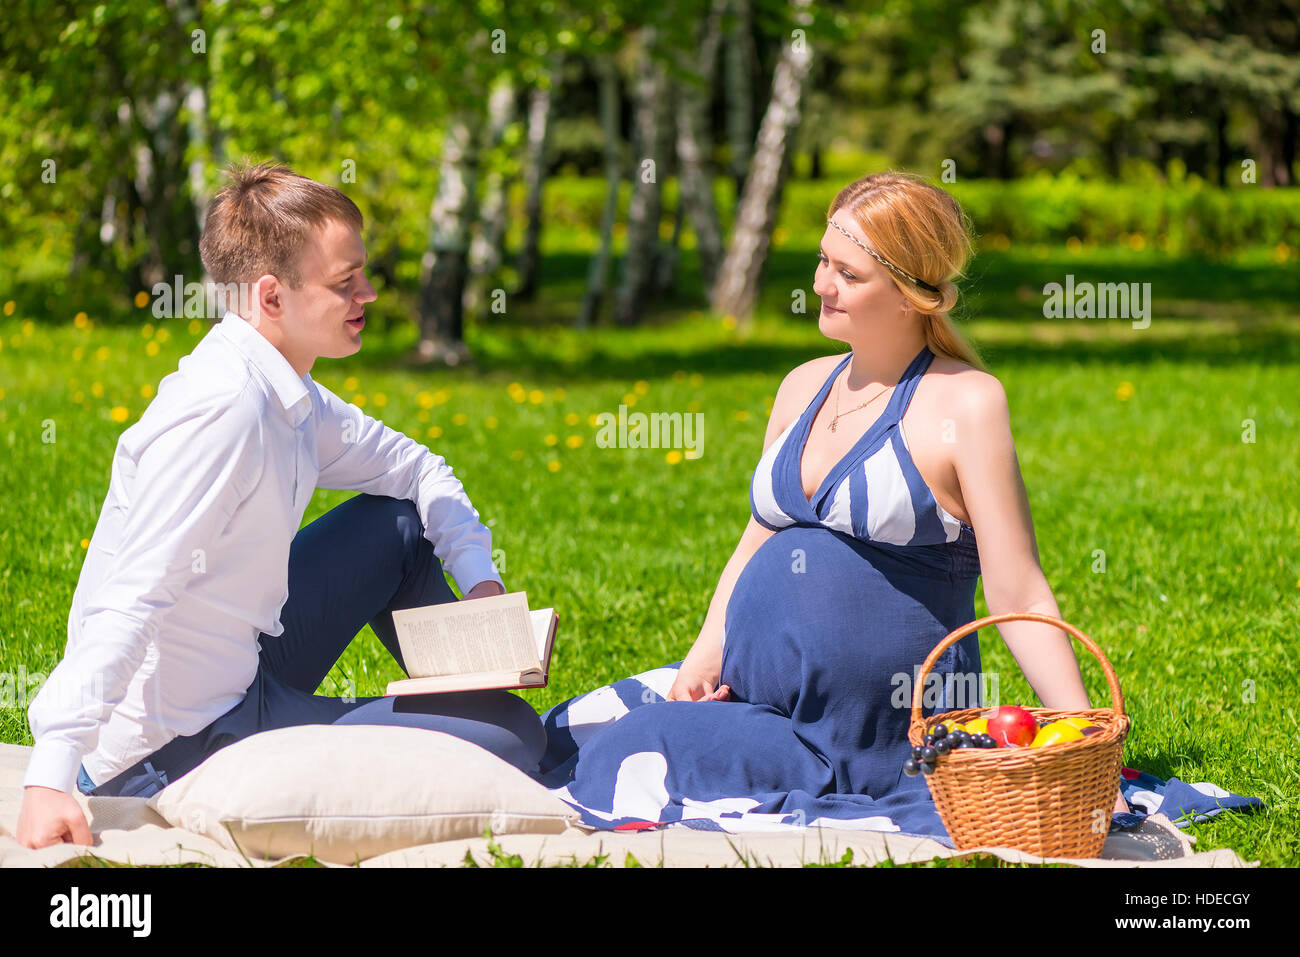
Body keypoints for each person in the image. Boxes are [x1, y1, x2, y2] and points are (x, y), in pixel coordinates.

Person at [538, 171, 1128, 835]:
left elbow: (1019, 590)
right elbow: (756, 542)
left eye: (847, 273)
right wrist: (707, 652)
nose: (820, 283)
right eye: (823, 260)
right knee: (572, 728)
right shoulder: (802, 386)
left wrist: (1090, 743)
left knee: (631, 747)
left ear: (910, 293)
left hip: (874, 731)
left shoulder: (966, 400)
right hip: (761, 695)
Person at [17, 162, 545, 849]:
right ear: (271, 296)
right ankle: (458, 721)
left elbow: (418, 467)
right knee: (515, 738)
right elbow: (129, 596)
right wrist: (51, 773)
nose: (370, 293)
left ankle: (459, 692)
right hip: (181, 742)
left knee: (394, 524)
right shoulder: (224, 412)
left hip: (243, 664)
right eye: (344, 282)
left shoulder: (288, 390)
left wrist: (479, 578)